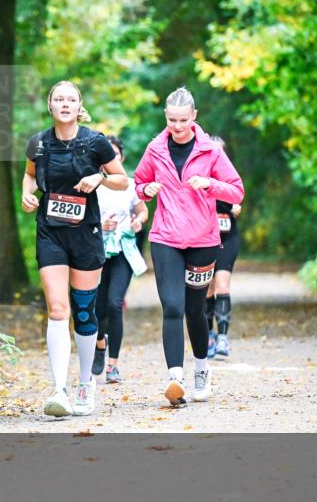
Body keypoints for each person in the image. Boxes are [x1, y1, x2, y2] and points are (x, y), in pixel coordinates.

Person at [22, 81, 129, 417]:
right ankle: (58, 389)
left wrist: (99, 178)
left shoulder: (95, 142)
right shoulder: (38, 143)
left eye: (70, 99)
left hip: (86, 231)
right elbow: (29, 175)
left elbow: (122, 180)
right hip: (50, 231)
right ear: (50, 105)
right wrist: (26, 194)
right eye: (58, 99)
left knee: (85, 311)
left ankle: (85, 382)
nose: (64, 104)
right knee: (57, 308)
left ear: (78, 105)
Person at [133, 87, 244, 406]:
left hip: (203, 241)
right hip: (166, 237)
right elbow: (138, 186)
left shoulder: (210, 151)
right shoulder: (155, 148)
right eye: (171, 120)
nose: (177, 126)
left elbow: (236, 192)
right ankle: (174, 379)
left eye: (183, 120)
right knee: (172, 306)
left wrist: (211, 184)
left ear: (194, 117)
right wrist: (147, 189)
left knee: (196, 309)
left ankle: (201, 369)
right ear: (165, 118)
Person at [91, 135, 149, 384]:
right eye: (106, 157)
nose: (110, 160)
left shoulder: (131, 184)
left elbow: (143, 210)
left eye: (114, 155)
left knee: (115, 304)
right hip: (97, 251)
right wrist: (100, 224)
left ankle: (113, 365)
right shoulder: (92, 185)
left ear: (121, 159)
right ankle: (100, 345)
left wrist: (139, 221)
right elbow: (82, 218)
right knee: (98, 308)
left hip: (124, 250)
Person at [204, 136, 241, 360]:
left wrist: (236, 207)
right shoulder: (200, 178)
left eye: (221, 152)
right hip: (205, 240)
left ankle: (223, 338)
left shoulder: (229, 179)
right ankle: (208, 335)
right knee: (207, 289)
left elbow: (238, 198)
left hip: (228, 239)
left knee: (222, 285)